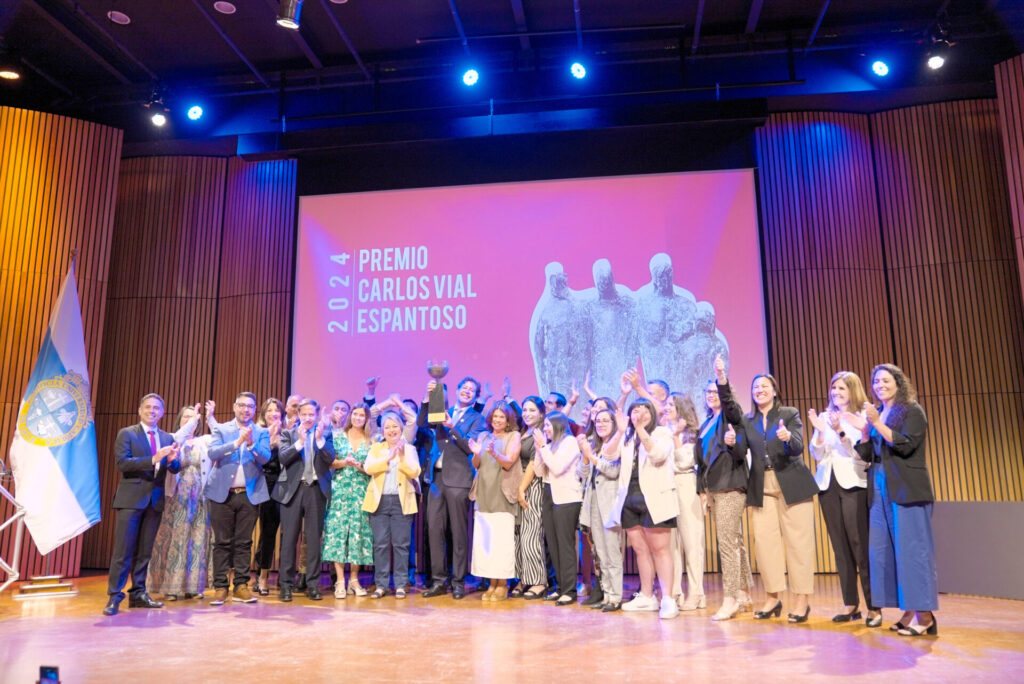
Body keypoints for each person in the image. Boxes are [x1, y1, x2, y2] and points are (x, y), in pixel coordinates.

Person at [717, 357, 817, 623]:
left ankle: (801, 601)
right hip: (762, 485)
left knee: (799, 544)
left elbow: (797, 446)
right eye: (755, 387)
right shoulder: (747, 420)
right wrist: (731, 443)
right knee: (765, 544)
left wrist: (787, 438)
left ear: (774, 391)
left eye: (764, 386)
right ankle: (773, 598)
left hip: (793, 483)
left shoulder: (788, 414)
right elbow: (740, 453)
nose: (759, 390)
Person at [851, 364, 937, 636]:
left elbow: (906, 445)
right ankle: (908, 611)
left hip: (906, 488)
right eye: (876, 381)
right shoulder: (880, 411)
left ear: (899, 383)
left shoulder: (911, 410)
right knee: (884, 551)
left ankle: (925, 616)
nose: (880, 385)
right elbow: (868, 454)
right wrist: (865, 433)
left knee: (911, 552)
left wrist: (876, 423)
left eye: (886, 380)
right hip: (879, 486)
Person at [103, 393, 183, 616]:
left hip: (154, 500)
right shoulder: (127, 433)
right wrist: (153, 459)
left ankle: (138, 593)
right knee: (123, 551)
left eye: (156, 408)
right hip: (130, 499)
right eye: (148, 407)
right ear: (140, 410)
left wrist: (172, 461)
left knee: (145, 552)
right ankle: (114, 596)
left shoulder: (167, 437)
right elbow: (122, 463)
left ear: (162, 413)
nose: (152, 411)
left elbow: (175, 467)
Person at [807, 371, 876, 624]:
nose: (835, 392)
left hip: (854, 483)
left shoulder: (862, 417)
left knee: (860, 545)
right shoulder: (824, 416)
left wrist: (839, 431)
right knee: (840, 547)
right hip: (827, 484)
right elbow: (816, 454)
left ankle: (874, 606)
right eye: (833, 388)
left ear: (853, 391)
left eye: (842, 388)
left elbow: (860, 454)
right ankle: (851, 604)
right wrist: (821, 432)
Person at [419, 376, 486, 600]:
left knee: (458, 533)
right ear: (457, 390)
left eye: (472, 390)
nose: (467, 391)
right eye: (464, 388)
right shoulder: (442, 410)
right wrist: (427, 398)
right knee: (434, 530)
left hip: (459, 480)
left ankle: (458, 582)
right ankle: (439, 581)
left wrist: (452, 427)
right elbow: (422, 423)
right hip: (436, 479)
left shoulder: (478, 418)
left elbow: (470, 447)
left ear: (476, 396)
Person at [611, 399, 679, 619]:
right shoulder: (628, 436)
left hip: (655, 498)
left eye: (644, 410)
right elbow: (609, 456)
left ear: (652, 413)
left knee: (660, 549)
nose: (639, 414)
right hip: (630, 497)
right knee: (640, 550)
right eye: (635, 411)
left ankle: (668, 598)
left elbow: (658, 455)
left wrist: (640, 429)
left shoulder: (662, 432)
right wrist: (620, 432)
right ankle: (647, 596)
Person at [205, 392, 272, 605]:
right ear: (234, 407)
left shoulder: (261, 432)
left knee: (244, 542)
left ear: (255, 410)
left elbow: (266, 458)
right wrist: (236, 443)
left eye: (250, 406)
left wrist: (251, 444)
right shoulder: (222, 429)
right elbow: (213, 453)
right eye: (242, 405)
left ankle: (241, 586)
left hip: (249, 494)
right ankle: (220, 587)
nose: (246, 409)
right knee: (221, 542)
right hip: (221, 494)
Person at [699, 369, 753, 620]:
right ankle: (744, 594)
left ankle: (730, 598)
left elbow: (730, 405)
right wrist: (702, 491)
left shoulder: (730, 416)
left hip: (731, 485)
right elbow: (701, 461)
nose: (712, 395)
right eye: (708, 392)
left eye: (716, 392)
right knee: (735, 540)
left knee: (727, 544)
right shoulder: (706, 423)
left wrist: (721, 378)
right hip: (714, 489)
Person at [274, 398, 335, 602]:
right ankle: (286, 585)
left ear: (316, 416)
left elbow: (330, 458)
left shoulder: (325, 434)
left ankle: (313, 584)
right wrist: (300, 443)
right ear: (299, 415)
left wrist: (320, 441)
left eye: (311, 414)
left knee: (313, 539)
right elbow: (283, 458)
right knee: (289, 539)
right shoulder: (288, 433)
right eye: (304, 414)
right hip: (293, 490)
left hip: (316, 489)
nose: (308, 418)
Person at [148, 405, 211, 601]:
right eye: (186, 417)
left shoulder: (204, 441)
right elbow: (171, 457)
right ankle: (170, 587)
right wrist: (190, 424)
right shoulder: (171, 439)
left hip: (199, 497)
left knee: (197, 539)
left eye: (194, 418)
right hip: (176, 495)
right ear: (179, 420)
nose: (190, 420)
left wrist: (210, 417)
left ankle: (193, 587)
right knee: (175, 537)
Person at [363, 412, 422, 598]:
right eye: (387, 427)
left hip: (401, 501)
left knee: (401, 545)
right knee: (380, 545)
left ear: (401, 428)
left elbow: (415, 472)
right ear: (382, 431)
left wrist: (401, 456)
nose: (391, 430)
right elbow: (368, 468)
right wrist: (388, 458)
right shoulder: (376, 448)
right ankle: (381, 585)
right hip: (379, 501)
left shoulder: (409, 449)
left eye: (395, 426)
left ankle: (401, 585)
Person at [468, 403, 522, 601]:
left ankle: (503, 584)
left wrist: (494, 453)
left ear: (508, 420)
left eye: (501, 417)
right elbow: (477, 465)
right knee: (487, 542)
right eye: (495, 416)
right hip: (484, 493)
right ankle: (492, 583)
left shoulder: (513, 436)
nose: (497, 420)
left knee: (502, 542)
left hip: (502, 494)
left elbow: (509, 462)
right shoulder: (483, 436)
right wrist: (476, 453)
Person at [322, 402, 374, 598]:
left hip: (361, 491)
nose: (358, 418)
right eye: (355, 414)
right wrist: (345, 462)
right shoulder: (337, 436)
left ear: (367, 419)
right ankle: (340, 581)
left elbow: (372, 468)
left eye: (362, 415)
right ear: (351, 416)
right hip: (340, 491)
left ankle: (354, 580)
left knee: (358, 535)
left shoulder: (371, 440)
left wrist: (359, 466)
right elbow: (329, 463)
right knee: (338, 534)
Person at [533, 411, 583, 606]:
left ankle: (569, 590)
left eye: (548, 425)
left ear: (558, 425)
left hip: (567, 498)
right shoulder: (550, 444)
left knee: (565, 544)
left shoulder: (569, 442)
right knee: (553, 545)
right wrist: (539, 449)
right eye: (544, 425)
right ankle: (561, 587)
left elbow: (557, 468)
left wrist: (543, 446)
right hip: (549, 494)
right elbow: (539, 471)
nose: (545, 429)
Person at [577, 407, 624, 612]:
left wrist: (592, 456)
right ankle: (607, 595)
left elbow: (613, 471)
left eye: (606, 420)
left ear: (614, 423)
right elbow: (582, 473)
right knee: (600, 554)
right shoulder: (594, 446)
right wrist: (586, 455)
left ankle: (616, 597)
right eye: (598, 421)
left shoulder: (617, 444)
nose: (601, 424)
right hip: (593, 502)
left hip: (610, 503)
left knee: (612, 553)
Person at [666, 393, 706, 611]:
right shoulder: (663, 431)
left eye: (671, 405)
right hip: (666, 488)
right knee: (671, 545)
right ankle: (675, 592)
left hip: (686, 484)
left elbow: (684, 462)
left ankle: (696, 592)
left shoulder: (692, 434)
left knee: (692, 543)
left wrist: (676, 436)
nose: (666, 408)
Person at [513, 396, 547, 599]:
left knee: (531, 535)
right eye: (525, 410)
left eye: (532, 410)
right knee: (518, 536)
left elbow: (534, 464)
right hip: (518, 486)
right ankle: (523, 578)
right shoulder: (522, 432)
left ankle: (538, 581)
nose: (527, 413)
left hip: (532, 486)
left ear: (541, 414)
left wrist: (521, 489)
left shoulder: (539, 434)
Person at [253, 398, 284, 596]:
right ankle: (260, 575)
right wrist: (270, 442)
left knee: (273, 531)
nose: (274, 413)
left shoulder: (288, 433)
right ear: (264, 414)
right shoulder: (258, 432)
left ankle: (265, 575)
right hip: (263, 482)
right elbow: (254, 459)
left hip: (283, 485)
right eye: (270, 410)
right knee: (265, 531)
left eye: (277, 410)